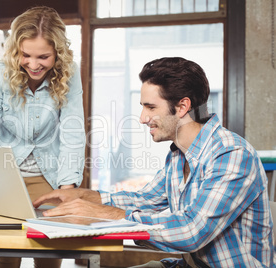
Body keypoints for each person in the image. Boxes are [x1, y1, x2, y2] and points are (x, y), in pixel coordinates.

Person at [34, 57, 275, 267]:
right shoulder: (179, 154)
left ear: (182, 106)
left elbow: (192, 231)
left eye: (150, 107)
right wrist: (84, 197)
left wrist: (107, 215)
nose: (142, 118)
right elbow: (146, 200)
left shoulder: (231, 154)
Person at [0, 6, 85, 268]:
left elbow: (73, 131)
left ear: (58, 52)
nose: (33, 65)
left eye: (43, 56)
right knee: (7, 256)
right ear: (15, 50)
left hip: (50, 175)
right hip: (6, 176)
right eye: (25, 55)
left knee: (49, 257)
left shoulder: (70, 72)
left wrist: (67, 188)